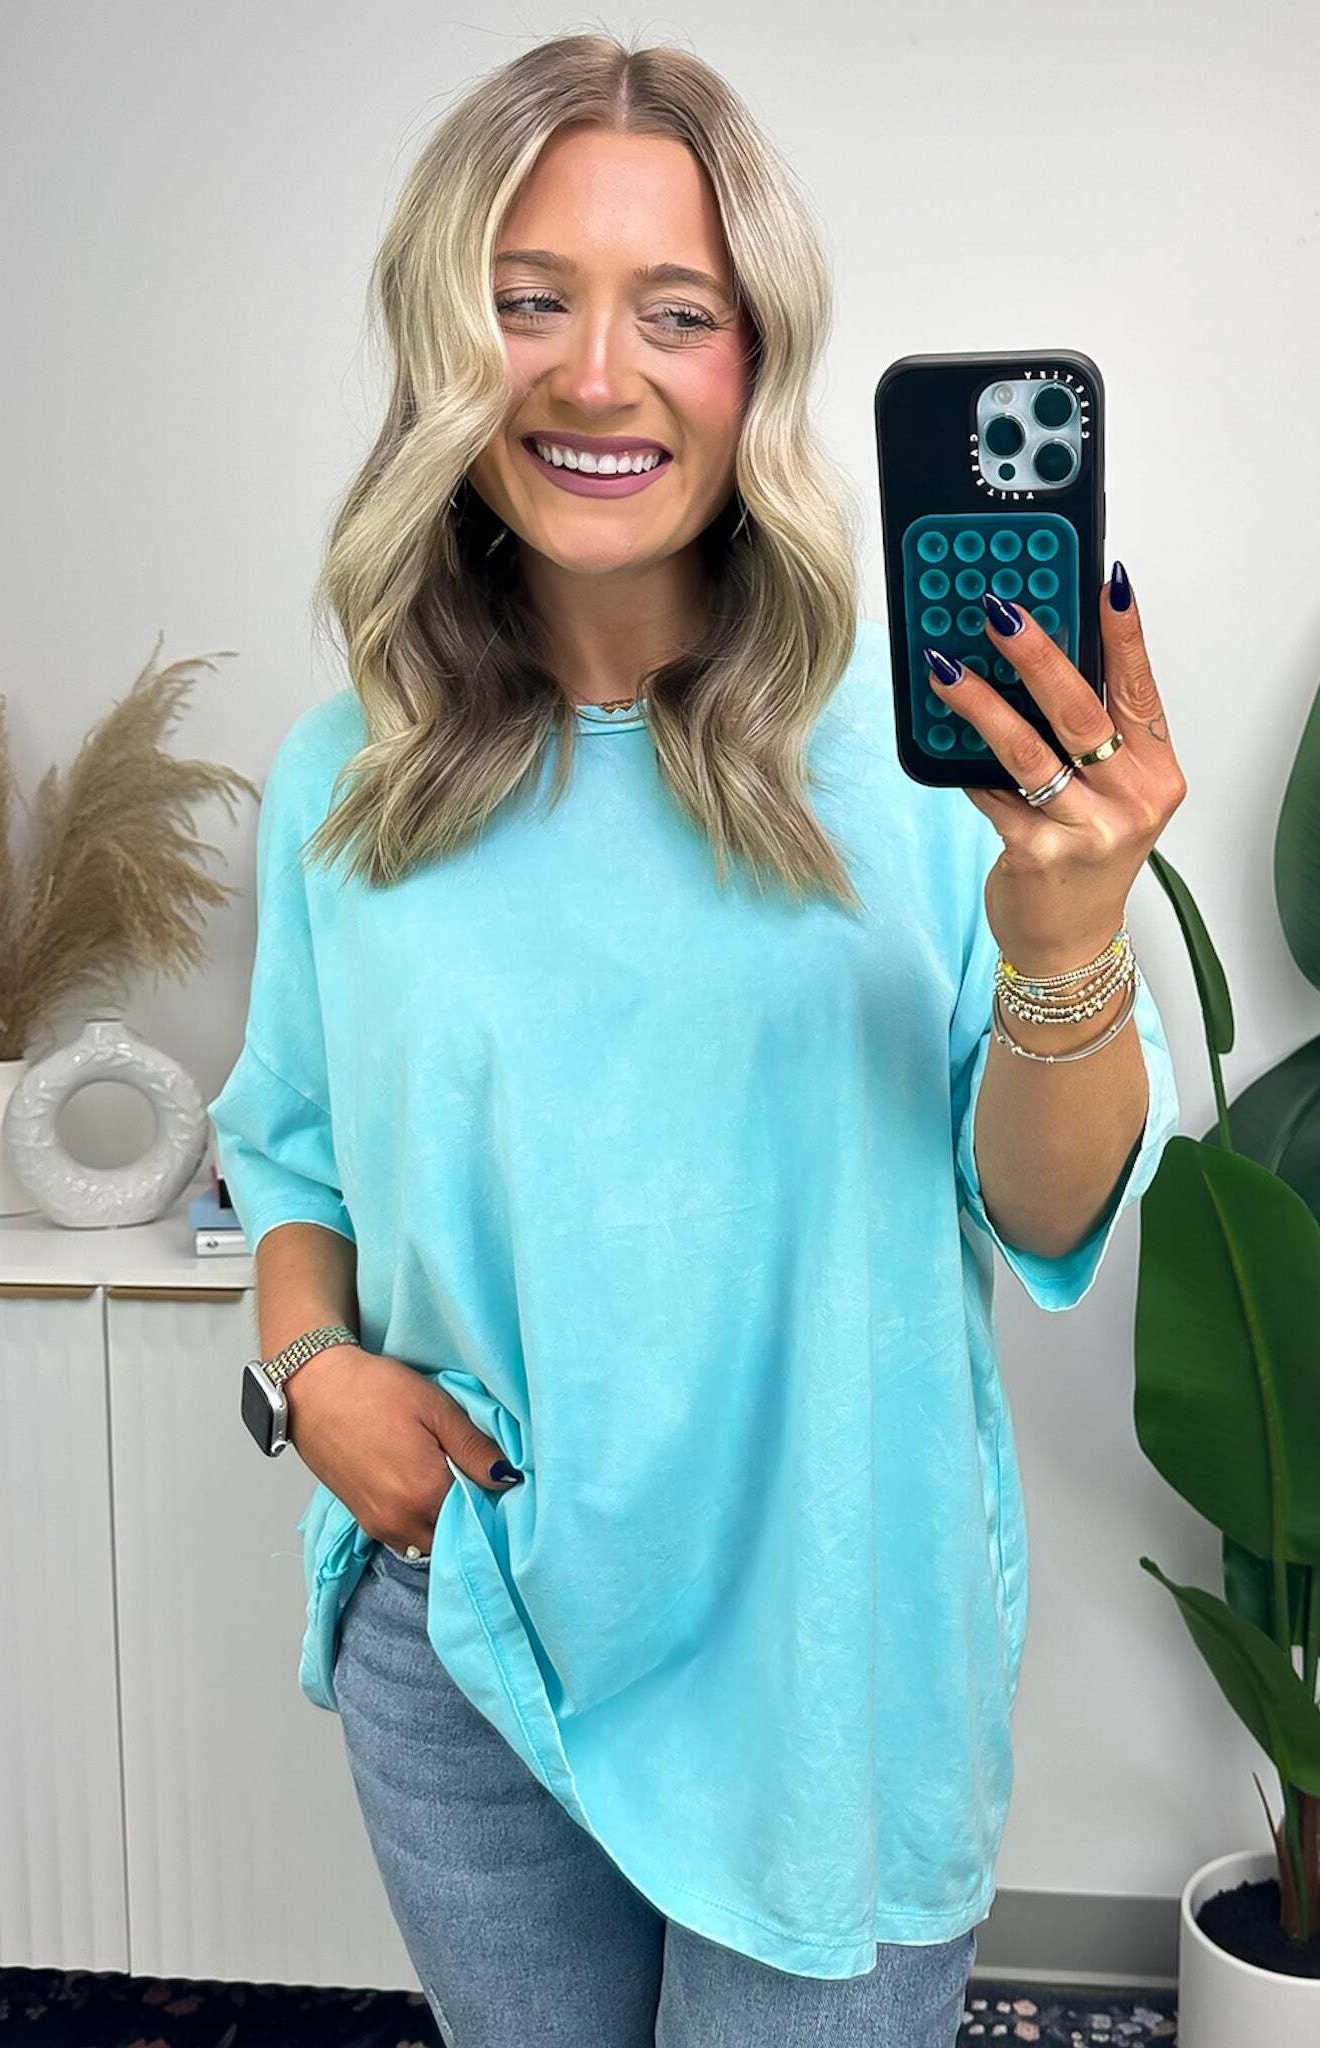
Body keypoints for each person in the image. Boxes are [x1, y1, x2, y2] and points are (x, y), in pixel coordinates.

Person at [207, 31, 1186, 2048]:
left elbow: (1044, 1211)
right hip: (468, 1644)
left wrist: (1063, 935)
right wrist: (310, 1376)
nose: (595, 375)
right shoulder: (346, 776)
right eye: (526, 301)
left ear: (757, 363)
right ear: (444, 343)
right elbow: (291, 1150)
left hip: (828, 1676)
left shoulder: (931, 764)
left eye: (674, 313)